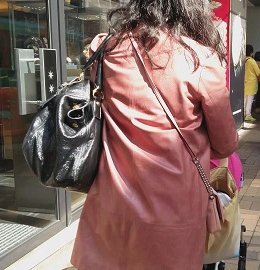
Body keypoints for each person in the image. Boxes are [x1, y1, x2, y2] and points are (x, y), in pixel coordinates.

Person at [70, 0, 239, 268]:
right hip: (174, 209)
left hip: (112, 199)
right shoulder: (201, 59)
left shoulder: (106, 47)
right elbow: (225, 143)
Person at [244, 44, 260, 121]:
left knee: (244, 99)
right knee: (250, 99)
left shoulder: (243, 60)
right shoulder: (252, 61)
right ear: (251, 53)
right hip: (251, 83)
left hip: (244, 82)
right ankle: (248, 114)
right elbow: (258, 72)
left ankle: (244, 114)